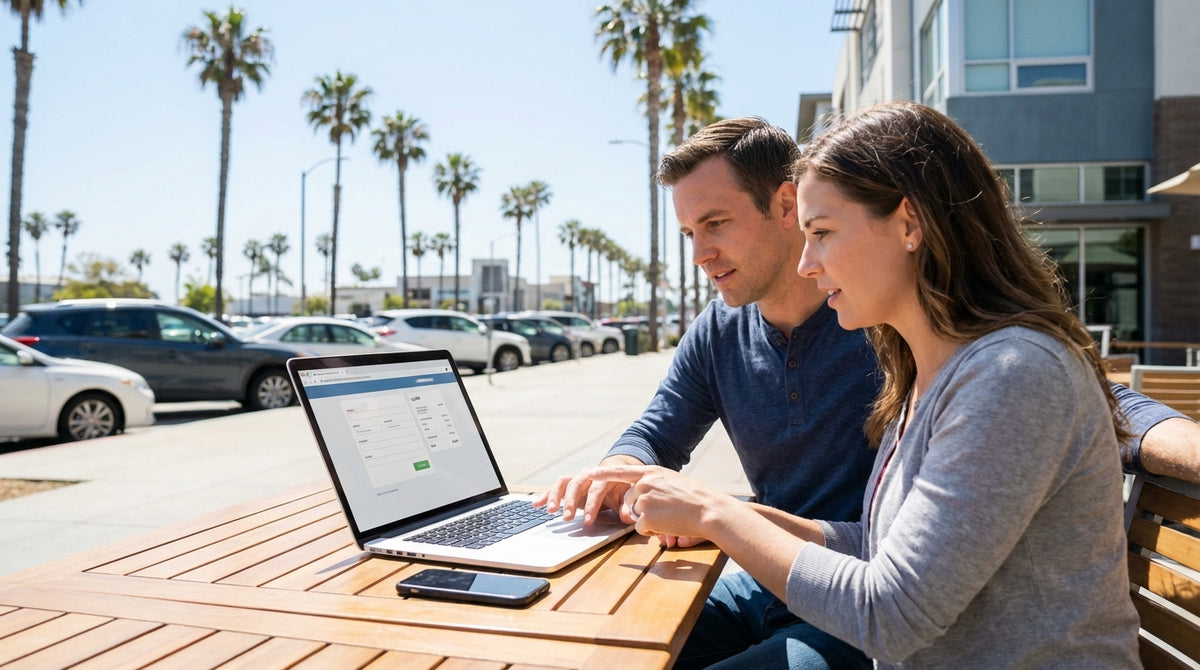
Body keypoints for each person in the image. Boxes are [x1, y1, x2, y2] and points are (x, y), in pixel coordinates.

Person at [537, 114, 1195, 668]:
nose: (806, 260)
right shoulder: (918, 361)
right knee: (595, 646)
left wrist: (719, 516)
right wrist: (680, 497)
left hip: (864, 624)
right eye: (689, 234)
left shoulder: (999, 368)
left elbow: (889, 612)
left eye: (821, 234)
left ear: (908, 225)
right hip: (825, 594)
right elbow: (877, 547)